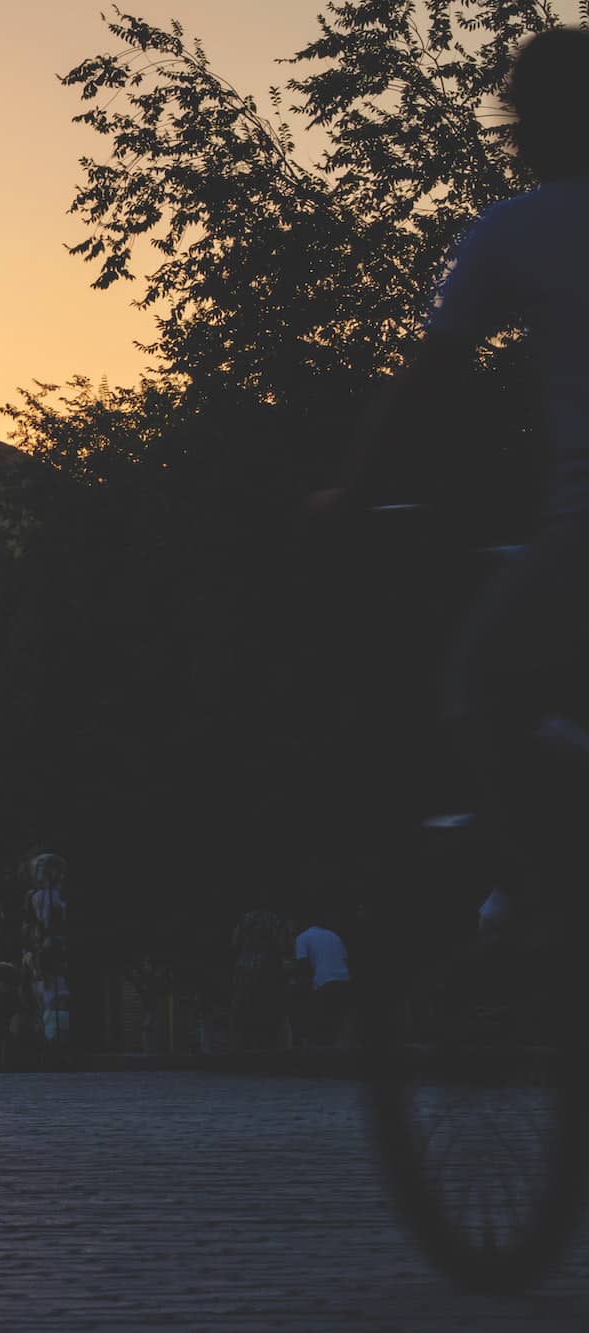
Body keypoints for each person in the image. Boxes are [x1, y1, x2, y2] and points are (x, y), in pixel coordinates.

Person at [313, 28, 589, 907]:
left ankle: (555, 898)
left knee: (479, 684)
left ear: (541, 120)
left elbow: (426, 383)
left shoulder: (520, 230)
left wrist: (351, 494)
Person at [230, 907, 289, 1050]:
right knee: (267, 1007)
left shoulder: (244, 919)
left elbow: (234, 942)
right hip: (268, 966)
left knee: (244, 1007)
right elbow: (283, 945)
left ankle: (244, 1046)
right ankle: (267, 1046)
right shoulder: (275, 919)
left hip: (244, 966)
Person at [292, 918, 353, 1045]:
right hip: (345, 982)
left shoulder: (302, 938)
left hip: (324, 984)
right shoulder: (334, 936)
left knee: (321, 1033)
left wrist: (300, 992)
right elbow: (345, 960)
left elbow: (303, 967)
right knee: (339, 1029)